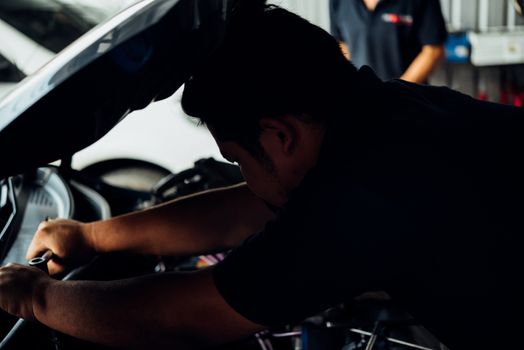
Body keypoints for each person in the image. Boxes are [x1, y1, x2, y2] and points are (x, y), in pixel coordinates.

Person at [1, 2, 523, 349]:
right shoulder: (390, 113)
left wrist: (36, 297)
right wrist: (93, 236)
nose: (243, 175)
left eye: (238, 159)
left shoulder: (362, 194)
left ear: (279, 136)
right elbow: (246, 208)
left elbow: (192, 314)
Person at [329, 0, 448, 82]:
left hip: (410, 101)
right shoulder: (338, 2)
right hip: (361, 101)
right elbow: (342, 44)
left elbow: (433, 51)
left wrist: (394, 93)